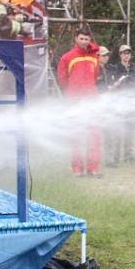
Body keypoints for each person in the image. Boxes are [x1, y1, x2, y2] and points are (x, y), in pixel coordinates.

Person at [56, 28, 101, 177]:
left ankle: (92, 168)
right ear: (76, 38)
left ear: (90, 40)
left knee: (94, 135)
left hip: (92, 101)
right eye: (81, 38)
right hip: (74, 102)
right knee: (76, 135)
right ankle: (77, 168)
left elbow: (95, 76)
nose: (84, 41)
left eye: (86, 39)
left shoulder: (95, 56)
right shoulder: (67, 57)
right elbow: (62, 80)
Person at [109, 44, 135, 164]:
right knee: (118, 130)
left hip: (131, 104)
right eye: (124, 53)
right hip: (118, 104)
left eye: (128, 53)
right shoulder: (115, 68)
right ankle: (116, 156)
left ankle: (128, 155)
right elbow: (112, 85)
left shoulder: (134, 69)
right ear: (120, 55)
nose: (126, 55)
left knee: (129, 130)